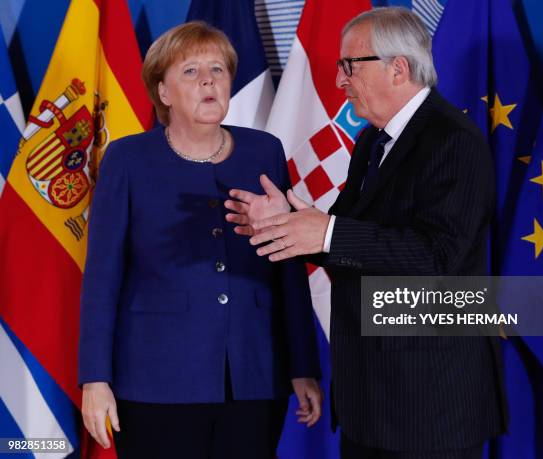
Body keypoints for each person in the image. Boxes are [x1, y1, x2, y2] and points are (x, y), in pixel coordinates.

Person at [225, 7, 508, 459]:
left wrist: (328, 234)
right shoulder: (371, 140)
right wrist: (290, 223)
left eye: (349, 66)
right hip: (369, 402)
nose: (340, 80)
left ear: (398, 68)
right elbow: (343, 241)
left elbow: (438, 257)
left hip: (429, 406)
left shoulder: (453, 140)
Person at [78, 21, 322, 459]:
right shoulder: (128, 158)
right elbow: (102, 278)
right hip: (155, 381)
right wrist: (95, 379)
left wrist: (303, 367)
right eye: (190, 71)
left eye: (218, 69)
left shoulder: (264, 150)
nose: (209, 79)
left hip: (255, 375)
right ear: (163, 93)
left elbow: (288, 266)